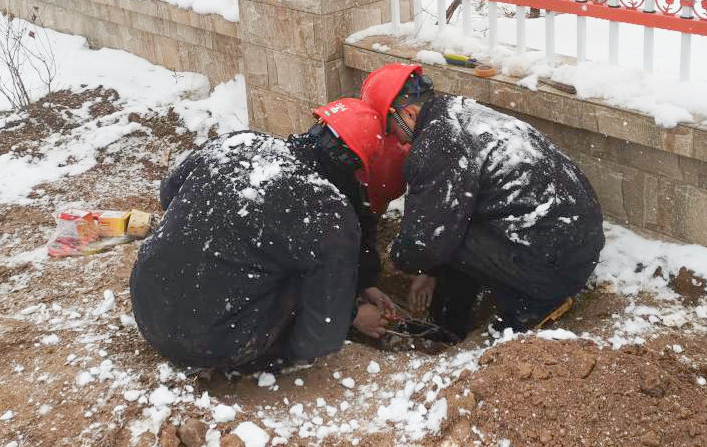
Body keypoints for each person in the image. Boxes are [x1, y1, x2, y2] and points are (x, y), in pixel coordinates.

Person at [130, 98, 396, 371]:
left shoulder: (238, 142)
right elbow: (319, 340)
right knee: (302, 271)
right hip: (213, 344)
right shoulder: (327, 211)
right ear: (355, 169)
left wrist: (364, 282)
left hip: (148, 307)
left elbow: (168, 194)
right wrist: (351, 315)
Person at [361, 63, 605, 340]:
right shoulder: (461, 112)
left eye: (391, 129)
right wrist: (431, 269)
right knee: (453, 226)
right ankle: (454, 321)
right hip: (577, 241)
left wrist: (406, 260)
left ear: (408, 113)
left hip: (552, 266)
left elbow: (425, 244)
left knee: (446, 236)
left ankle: (530, 308)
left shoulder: (436, 143)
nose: (395, 138)